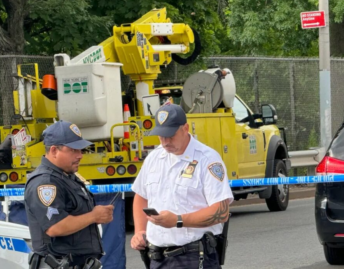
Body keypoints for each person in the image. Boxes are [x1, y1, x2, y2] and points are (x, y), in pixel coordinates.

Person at [130, 104, 234, 269]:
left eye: (170, 135)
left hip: (193, 256)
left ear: (185, 128)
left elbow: (221, 212)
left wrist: (178, 220)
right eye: (161, 136)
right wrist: (140, 231)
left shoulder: (207, 159)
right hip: (157, 258)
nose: (165, 141)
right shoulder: (155, 158)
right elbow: (141, 195)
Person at [24, 120, 114, 269]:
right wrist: (93, 216)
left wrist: (94, 217)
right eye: (74, 150)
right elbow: (55, 227)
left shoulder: (66, 177)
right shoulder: (45, 182)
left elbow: (75, 216)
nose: (80, 155)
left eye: (81, 150)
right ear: (54, 150)